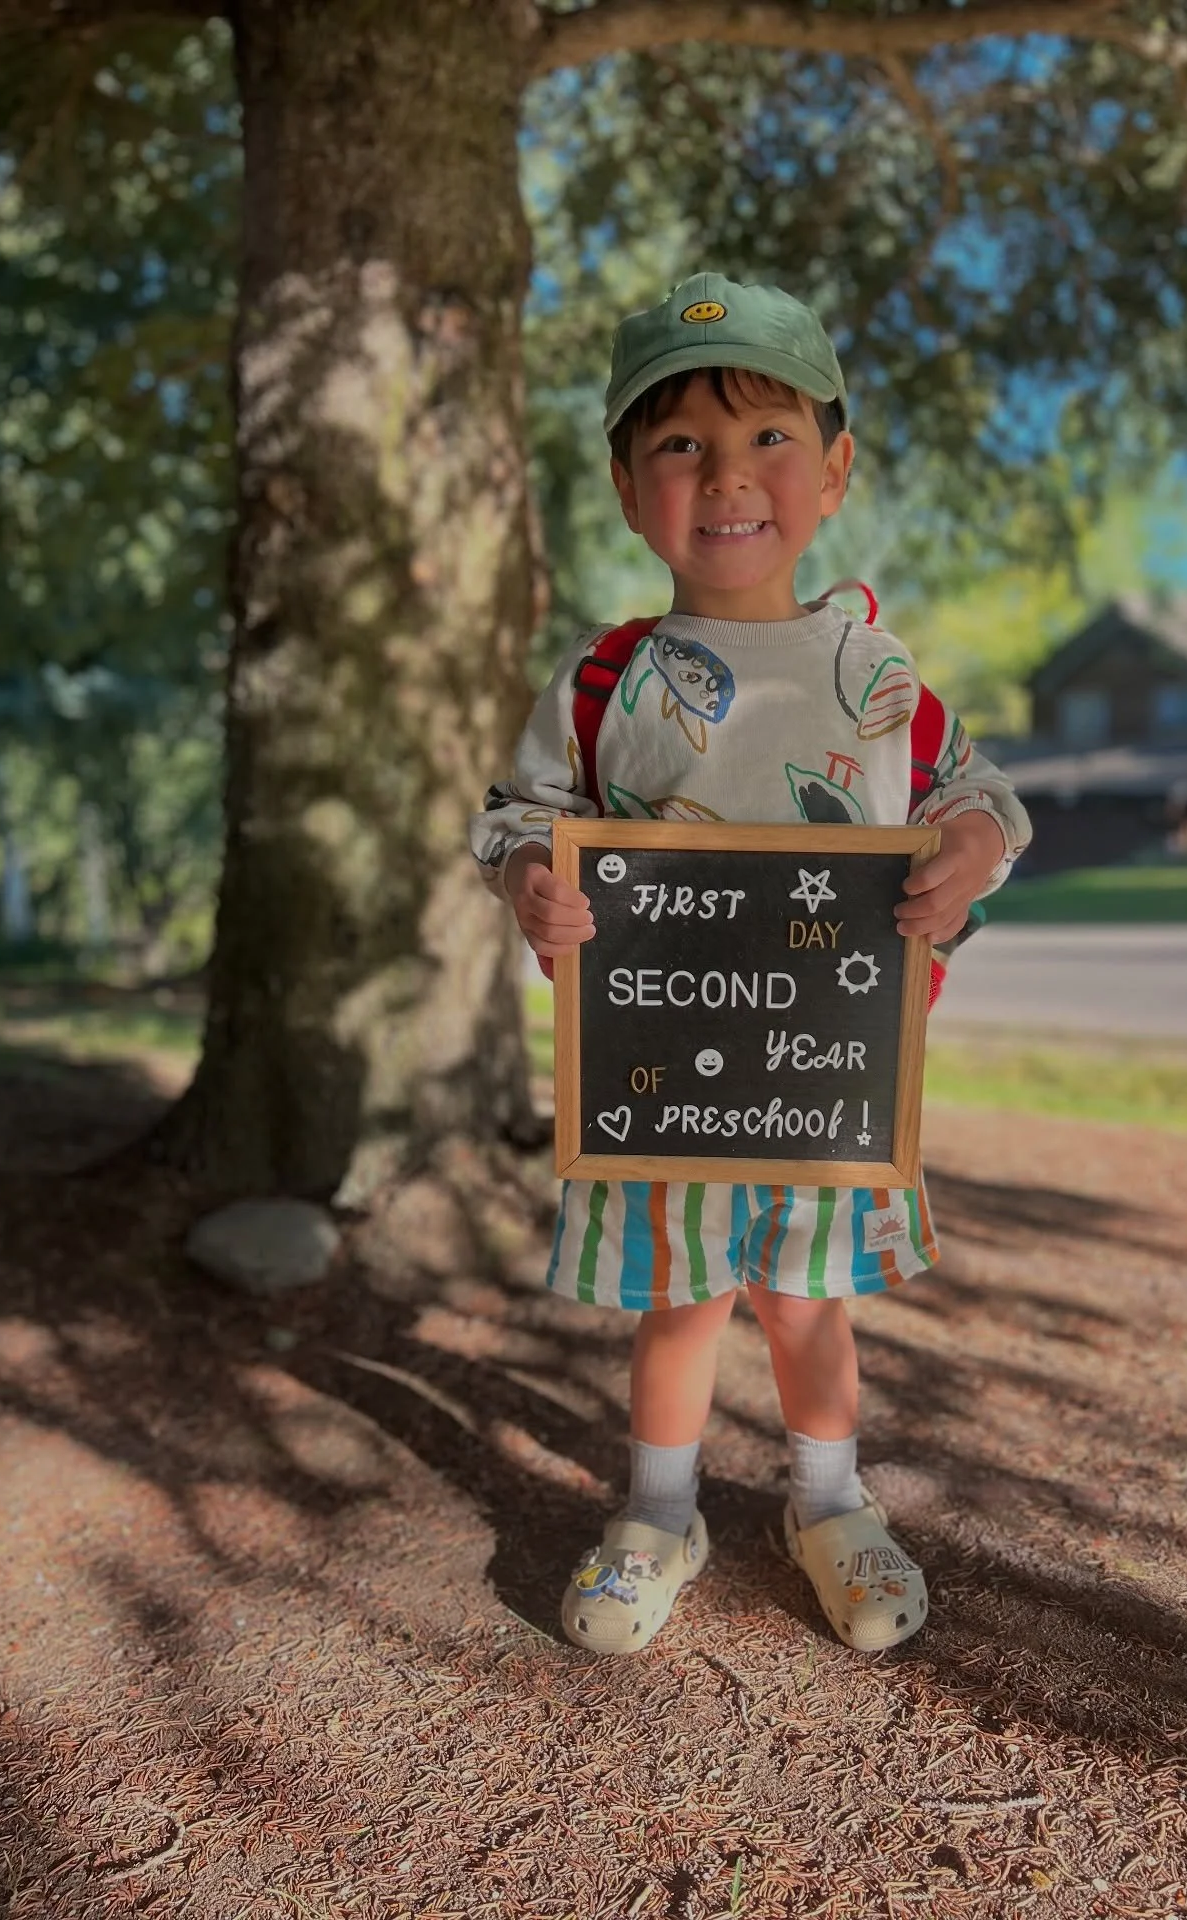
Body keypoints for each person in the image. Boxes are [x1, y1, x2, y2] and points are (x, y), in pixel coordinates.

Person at [470, 272, 1031, 1657]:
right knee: (681, 1301)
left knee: (805, 1302)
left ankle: (829, 1503)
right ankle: (660, 1512)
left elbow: (979, 794)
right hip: (658, 1081)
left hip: (828, 1078)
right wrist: (530, 881)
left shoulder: (879, 672)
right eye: (679, 445)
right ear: (624, 483)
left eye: (769, 437)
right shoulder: (608, 679)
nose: (727, 477)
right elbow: (518, 816)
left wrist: (969, 843)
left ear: (833, 469)